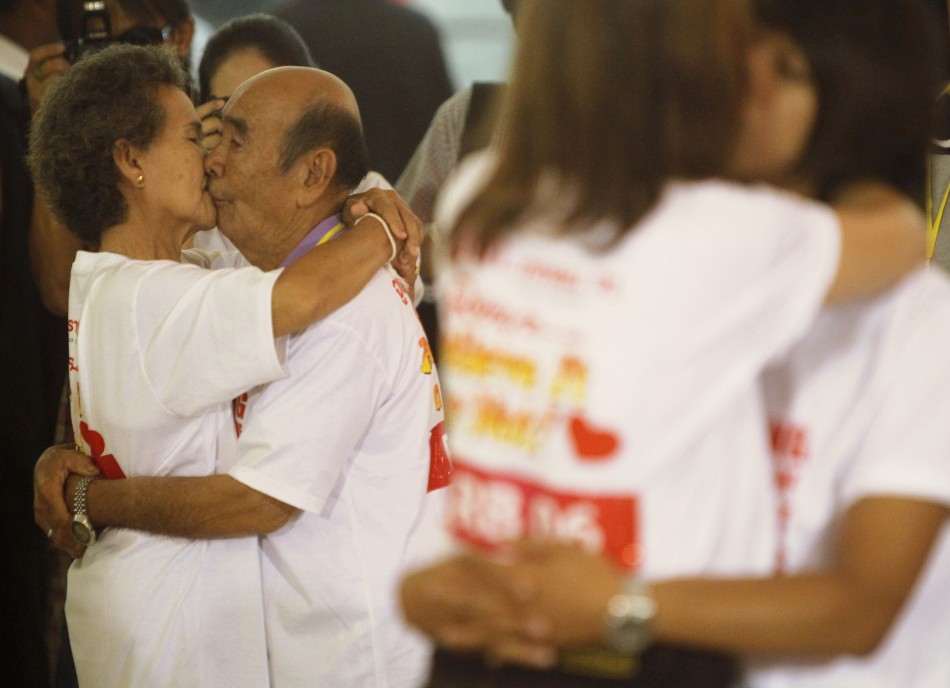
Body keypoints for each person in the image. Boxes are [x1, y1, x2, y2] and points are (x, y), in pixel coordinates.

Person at [402, 0, 950, 686]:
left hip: (510, 637)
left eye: (783, 66)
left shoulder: (482, 193)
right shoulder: (712, 236)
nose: (748, 81)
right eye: (732, 51)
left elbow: (862, 606)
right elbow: (897, 233)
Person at [35, 54, 446, 688]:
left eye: (232, 137)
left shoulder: (336, 306)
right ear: (131, 162)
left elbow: (258, 501)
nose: (212, 160)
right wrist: (378, 232)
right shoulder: (168, 292)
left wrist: (87, 495)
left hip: (348, 659)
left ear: (312, 173)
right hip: (174, 634)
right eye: (199, 136)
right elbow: (295, 297)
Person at [269, 0, 454, 182]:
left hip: (309, 193)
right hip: (400, 193)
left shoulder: (283, 26)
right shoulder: (415, 29)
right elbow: (445, 126)